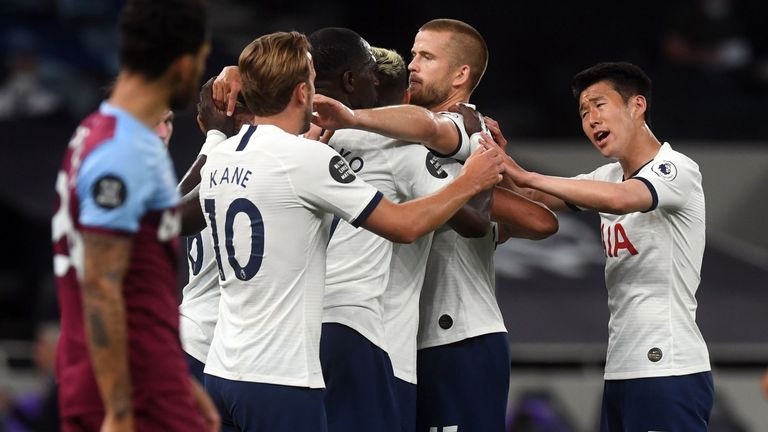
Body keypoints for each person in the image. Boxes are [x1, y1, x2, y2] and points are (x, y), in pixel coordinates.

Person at [198, 31, 504, 432]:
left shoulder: (221, 153)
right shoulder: (308, 158)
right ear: (301, 92)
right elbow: (405, 226)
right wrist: (470, 182)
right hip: (282, 371)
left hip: (222, 365)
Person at [311, 19, 557, 432]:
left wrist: (483, 185)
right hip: (399, 334)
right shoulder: (382, 138)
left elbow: (537, 219)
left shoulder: (466, 122)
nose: (412, 65)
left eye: (426, 56)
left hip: (457, 333)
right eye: (412, 55)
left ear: (461, 75)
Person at [499, 61, 713, 431]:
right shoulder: (608, 176)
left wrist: (527, 174)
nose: (591, 119)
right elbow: (533, 192)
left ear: (637, 105)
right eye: (584, 113)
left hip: (668, 365)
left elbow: (622, 199)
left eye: (599, 105)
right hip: (622, 367)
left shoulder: (676, 168)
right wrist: (493, 159)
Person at [50, 1, 218, 431]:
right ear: (183, 64)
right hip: (130, 390)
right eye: (200, 61)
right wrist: (120, 410)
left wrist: (181, 382)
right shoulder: (122, 153)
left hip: (147, 378)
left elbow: (140, 284)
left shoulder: (96, 132)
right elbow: (101, 286)